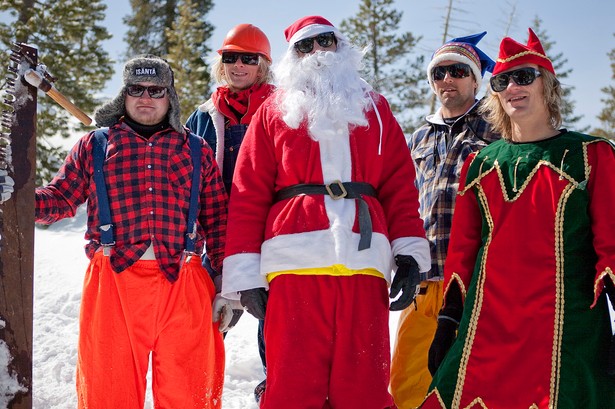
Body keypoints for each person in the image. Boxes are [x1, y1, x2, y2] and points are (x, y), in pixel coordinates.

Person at [220, 15, 431, 408]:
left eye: (325, 41)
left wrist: (409, 253)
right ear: (293, 57)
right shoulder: (272, 112)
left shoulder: (377, 109)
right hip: (294, 265)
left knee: (364, 385)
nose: (317, 52)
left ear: (341, 46)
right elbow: (247, 194)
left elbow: (400, 187)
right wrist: (246, 274)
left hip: (364, 263)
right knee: (293, 387)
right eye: (305, 46)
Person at [421, 28, 615, 408]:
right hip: (486, 325)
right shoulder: (481, 162)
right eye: (502, 80)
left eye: (525, 76)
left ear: (549, 86)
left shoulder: (590, 154)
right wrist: (448, 319)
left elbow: (611, 239)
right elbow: (464, 248)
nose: (512, 87)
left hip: (566, 325)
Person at [34, 55, 227, 408]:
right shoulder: (94, 146)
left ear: (170, 97)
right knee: (109, 392)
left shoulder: (197, 150)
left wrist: (230, 284)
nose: (146, 97)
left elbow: (217, 220)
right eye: (136, 88)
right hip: (113, 282)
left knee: (190, 394)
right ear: (124, 94)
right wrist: (18, 198)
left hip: (184, 283)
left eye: (156, 90)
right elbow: (59, 198)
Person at [389, 32, 499, 409]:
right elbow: (403, 199)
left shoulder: (497, 128)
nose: (447, 80)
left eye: (457, 71)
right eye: (439, 73)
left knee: (473, 376)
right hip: (424, 278)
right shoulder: (419, 136)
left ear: (475, 79)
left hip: (474, 280)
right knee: (408, 378)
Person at [185, 22, 275, 403]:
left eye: (248, 59)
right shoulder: (203, 116)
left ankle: (277, 388)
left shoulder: (280, 110)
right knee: (204, 319)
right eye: (231, 57)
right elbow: (182, 173)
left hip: (269, 232)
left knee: (274, 318)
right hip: (218, 233)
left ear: (264, 64)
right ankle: (197, 390)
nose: (239, 65)